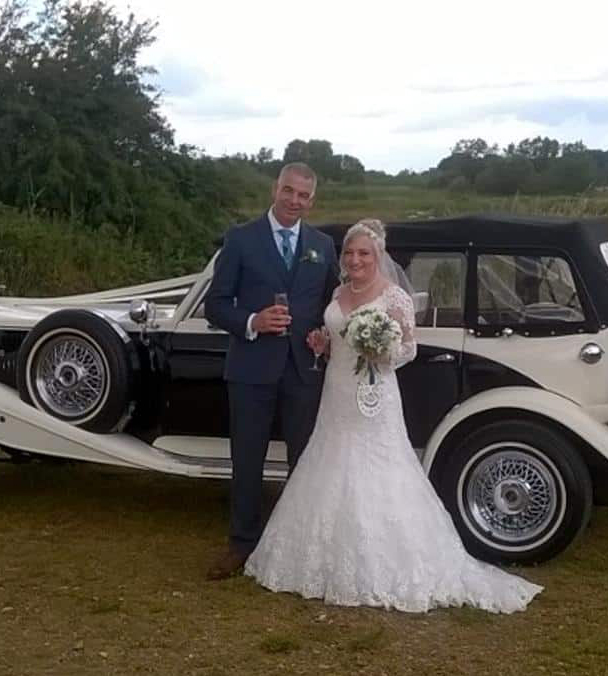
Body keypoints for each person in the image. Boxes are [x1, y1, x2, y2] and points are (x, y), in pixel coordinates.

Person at [243, 219, 543, 613]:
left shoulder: (395, 296)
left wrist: (380, 351)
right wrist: (322, 343)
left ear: (378, 256)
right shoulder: (338, 292)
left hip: (375, 396)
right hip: (337, 393)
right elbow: (336, 343)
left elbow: (409, 350)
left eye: (364, 253)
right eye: (350, 253)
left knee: (379, 468)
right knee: (330, 462)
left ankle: (385, 563)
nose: (355, 260)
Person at [203, 162, 341, 581]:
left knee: (305, 460)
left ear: (312, 200)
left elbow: (330, 303)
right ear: (275, 189)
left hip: (303, 369)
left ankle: (299, 548)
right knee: (247, 460)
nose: (294, 201)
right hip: (251, 369)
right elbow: (216, 305)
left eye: (303, 195)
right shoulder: (241, 239)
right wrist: (252, 322)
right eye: (289, 191)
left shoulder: (323, 245)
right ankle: (241, 545)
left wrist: (323, 333)